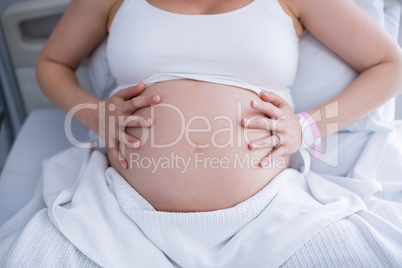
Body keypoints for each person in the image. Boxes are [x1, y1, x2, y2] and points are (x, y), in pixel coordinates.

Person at [1, 0, 400, 266]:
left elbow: (388, 63)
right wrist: (94, 114)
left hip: (275, 216)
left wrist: (308, 127)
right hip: (118, 213)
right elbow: (53, 62)